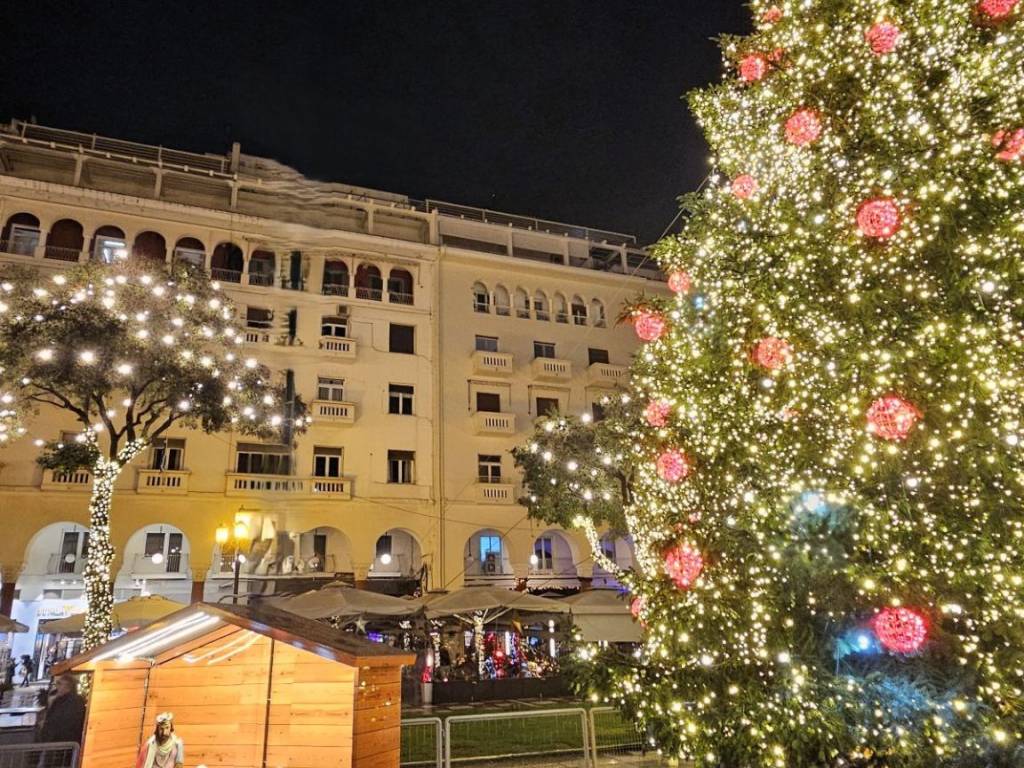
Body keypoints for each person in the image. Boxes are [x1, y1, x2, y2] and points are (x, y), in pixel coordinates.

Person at [36, 674, 86, 745]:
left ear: (68, 686)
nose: (57, 686)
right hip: (60, 740)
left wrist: (45, 725)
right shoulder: (59, 699)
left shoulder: (73, 701)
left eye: (59, 683)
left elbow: (58, 721)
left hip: (63, 741)